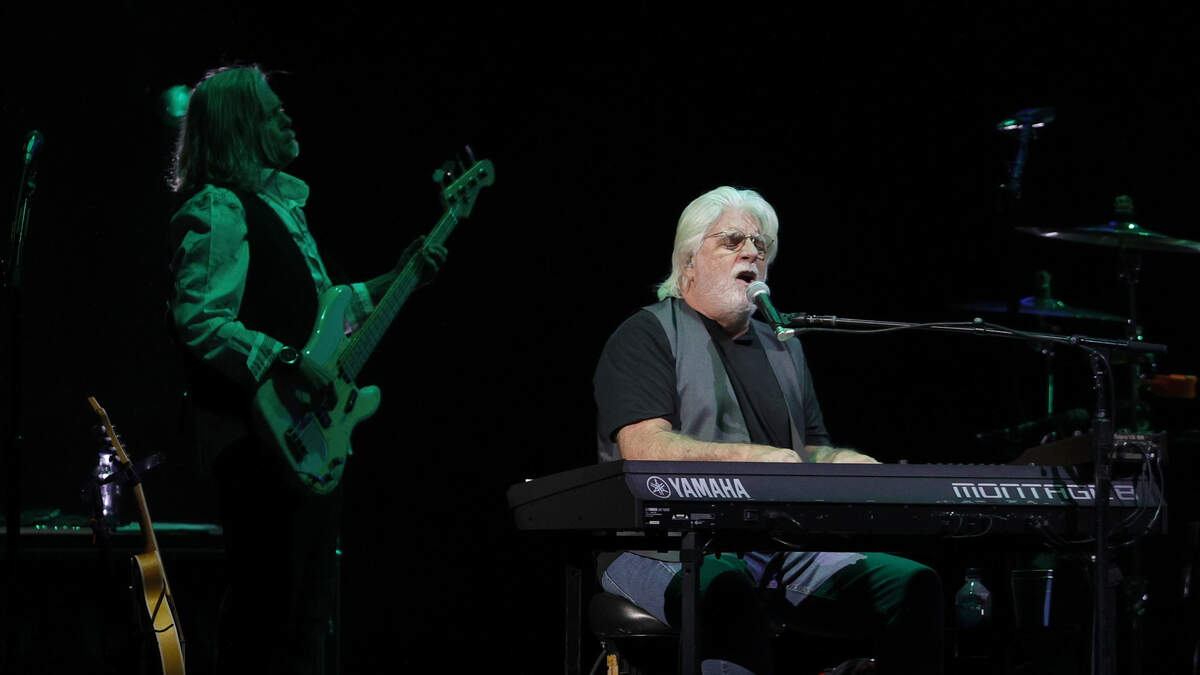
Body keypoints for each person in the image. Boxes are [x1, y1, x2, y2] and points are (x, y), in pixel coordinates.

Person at [593, 186, 943, 674]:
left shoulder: (785, 347)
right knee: (725, 591)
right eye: (732, 241)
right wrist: (749, 458)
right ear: (689, 261)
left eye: (761, 245)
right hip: (657, 544)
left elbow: (808, 450)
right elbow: (642, 446)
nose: (752, 253)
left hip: (769, 546)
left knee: (911, 585)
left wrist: (855, 465)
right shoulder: (647, 333)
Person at [166, 65, 445, 675]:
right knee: (268, 617)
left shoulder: (283, 208)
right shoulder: (221, 208)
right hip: (257, 442)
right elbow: (202, 321)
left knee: (305, 621)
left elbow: (327, 320)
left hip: (305, 445)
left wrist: (399, 278)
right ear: (241, 127)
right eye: (272, 111)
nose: (287, 116)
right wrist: (288, 362)